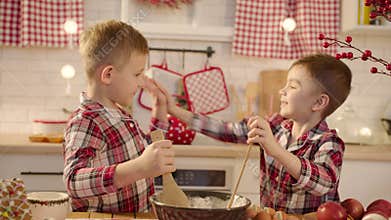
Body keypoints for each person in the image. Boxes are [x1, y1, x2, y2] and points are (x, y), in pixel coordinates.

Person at [156, 53, 352, 214]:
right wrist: (174, 110)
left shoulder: (329, 143)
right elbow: (227, 131)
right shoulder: (275, 126)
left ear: (318, 103)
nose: (282, 91)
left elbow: (322, 184)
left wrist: (275, 150)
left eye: (292, 86)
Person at [63, 20, 175, 213]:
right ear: (108, 75)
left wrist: (160, 110)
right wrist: (139, 168)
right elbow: (73, 182)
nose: (141, 83)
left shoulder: (119, 114)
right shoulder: (86, 121)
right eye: (138, 74)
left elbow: (146, 150)